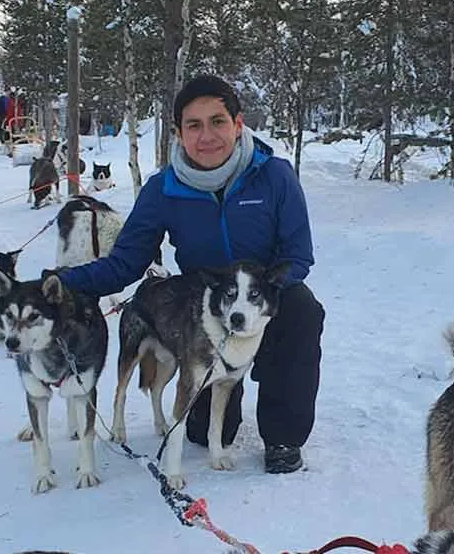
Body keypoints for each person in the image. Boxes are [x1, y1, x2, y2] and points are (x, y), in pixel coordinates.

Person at [56, 74, 325, 474]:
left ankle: (283, 435)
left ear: (238, 123)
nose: (207, 136)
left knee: (303, 312)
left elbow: (298, 255)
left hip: (267, 296)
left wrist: (259, 298)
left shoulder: (274, 176)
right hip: (203, 307)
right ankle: (216, 411)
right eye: (193, 125)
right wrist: (63, 283)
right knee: (201, 433)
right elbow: (126, 262)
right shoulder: (163, 189)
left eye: (217, 121)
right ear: (179, 133)